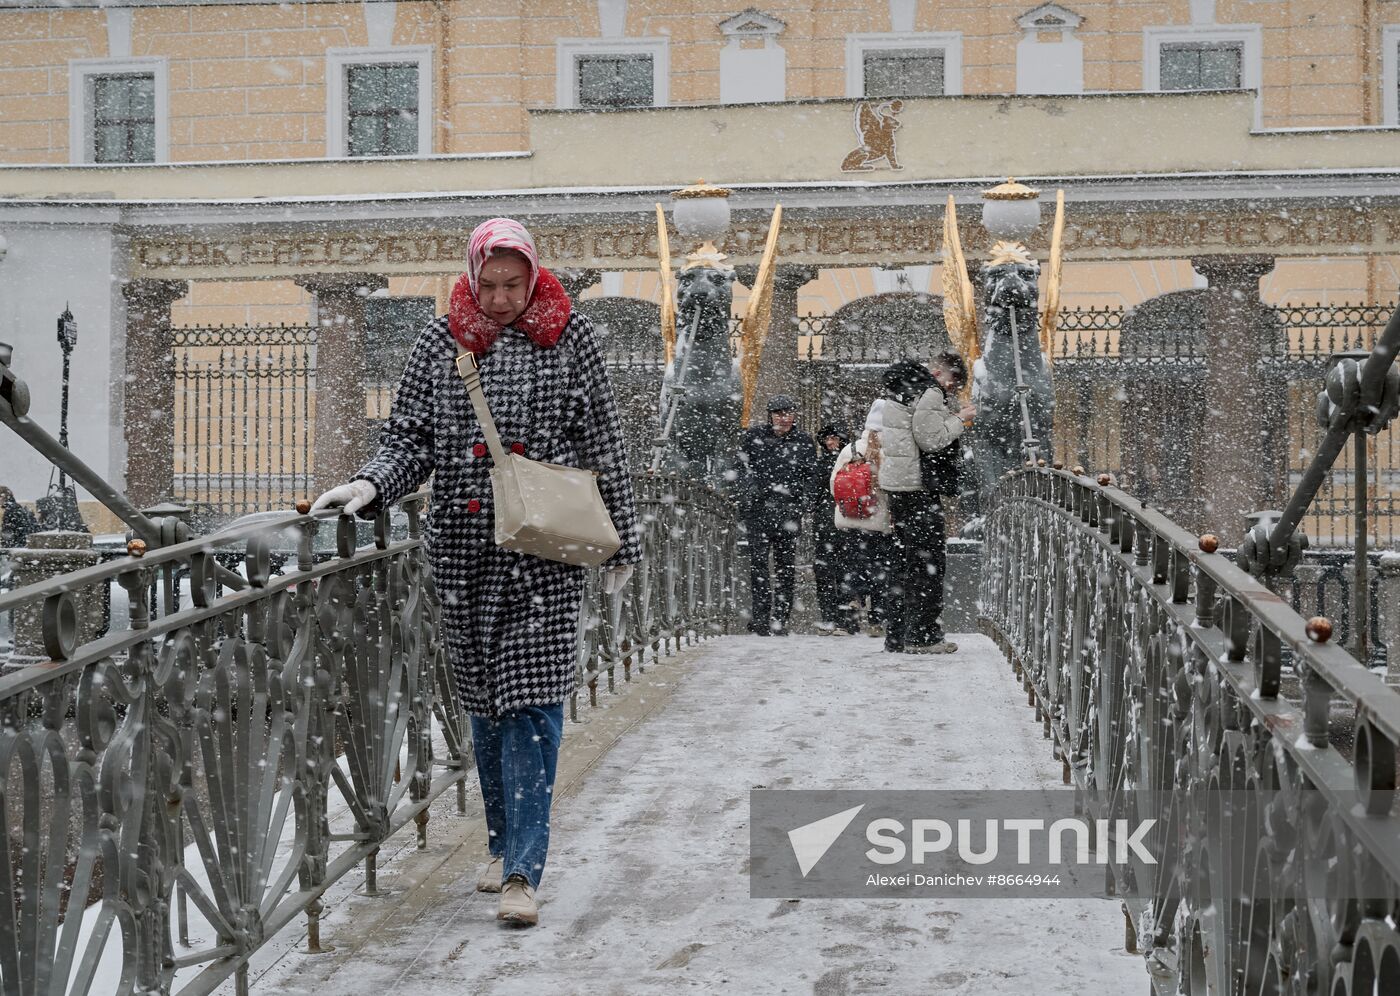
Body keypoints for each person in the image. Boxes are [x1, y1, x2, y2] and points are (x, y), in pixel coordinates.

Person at [310, 218, 641, 928]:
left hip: (543, 551)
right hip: (463, 551)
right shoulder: (440, 340)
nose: (498, 299)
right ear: (470, 277)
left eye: (512, 285)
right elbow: (408, 438)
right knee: (486, 709)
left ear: (532, 277)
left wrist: (622, 541)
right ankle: (501, 842)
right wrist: (370, 485)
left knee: (530, 705)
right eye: (487, 285)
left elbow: (604, 441)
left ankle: (524, 868)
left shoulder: (570, 335)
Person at [877, 352, 975, 654]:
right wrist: (961, 419)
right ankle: (924, 636)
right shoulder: (931, 391)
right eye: (953, 382)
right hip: (919, 487)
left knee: (902, 563)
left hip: (899, 485)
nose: (952, 390)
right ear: (939, 373)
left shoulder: (901, 388)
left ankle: (897, 634)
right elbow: (930, 438)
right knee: (928, 564)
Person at [737, 395, 818, 636]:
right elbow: (740, 468)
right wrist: (748, 493)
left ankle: (780, 618)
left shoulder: (803, 441)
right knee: (759, 566)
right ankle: (761, 617)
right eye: (778, 413)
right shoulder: (753, 437)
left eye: (788, 413)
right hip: (759, 511)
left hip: (787, 511)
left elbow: (810, 476)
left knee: (785, 567)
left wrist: (802, 503)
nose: (783, 418)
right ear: (770, 415)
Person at [830, 401, 895, 637]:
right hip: (877, 524)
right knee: (879, 571)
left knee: (850, 568)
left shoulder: (850, 449)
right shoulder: (891, 450)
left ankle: (848, 619)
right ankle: (877, 620)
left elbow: (833, 485)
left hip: (850, 520)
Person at [812, 422, 857, 635]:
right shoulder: (845, 462)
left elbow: (813, 493)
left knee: (836, 570)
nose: (831, 443)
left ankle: (838, 618)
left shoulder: (841, 462)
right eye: (827, 439)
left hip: (837, 519)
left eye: (834, 439)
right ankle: (838, 618)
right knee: (837, 570)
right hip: (835, 519)